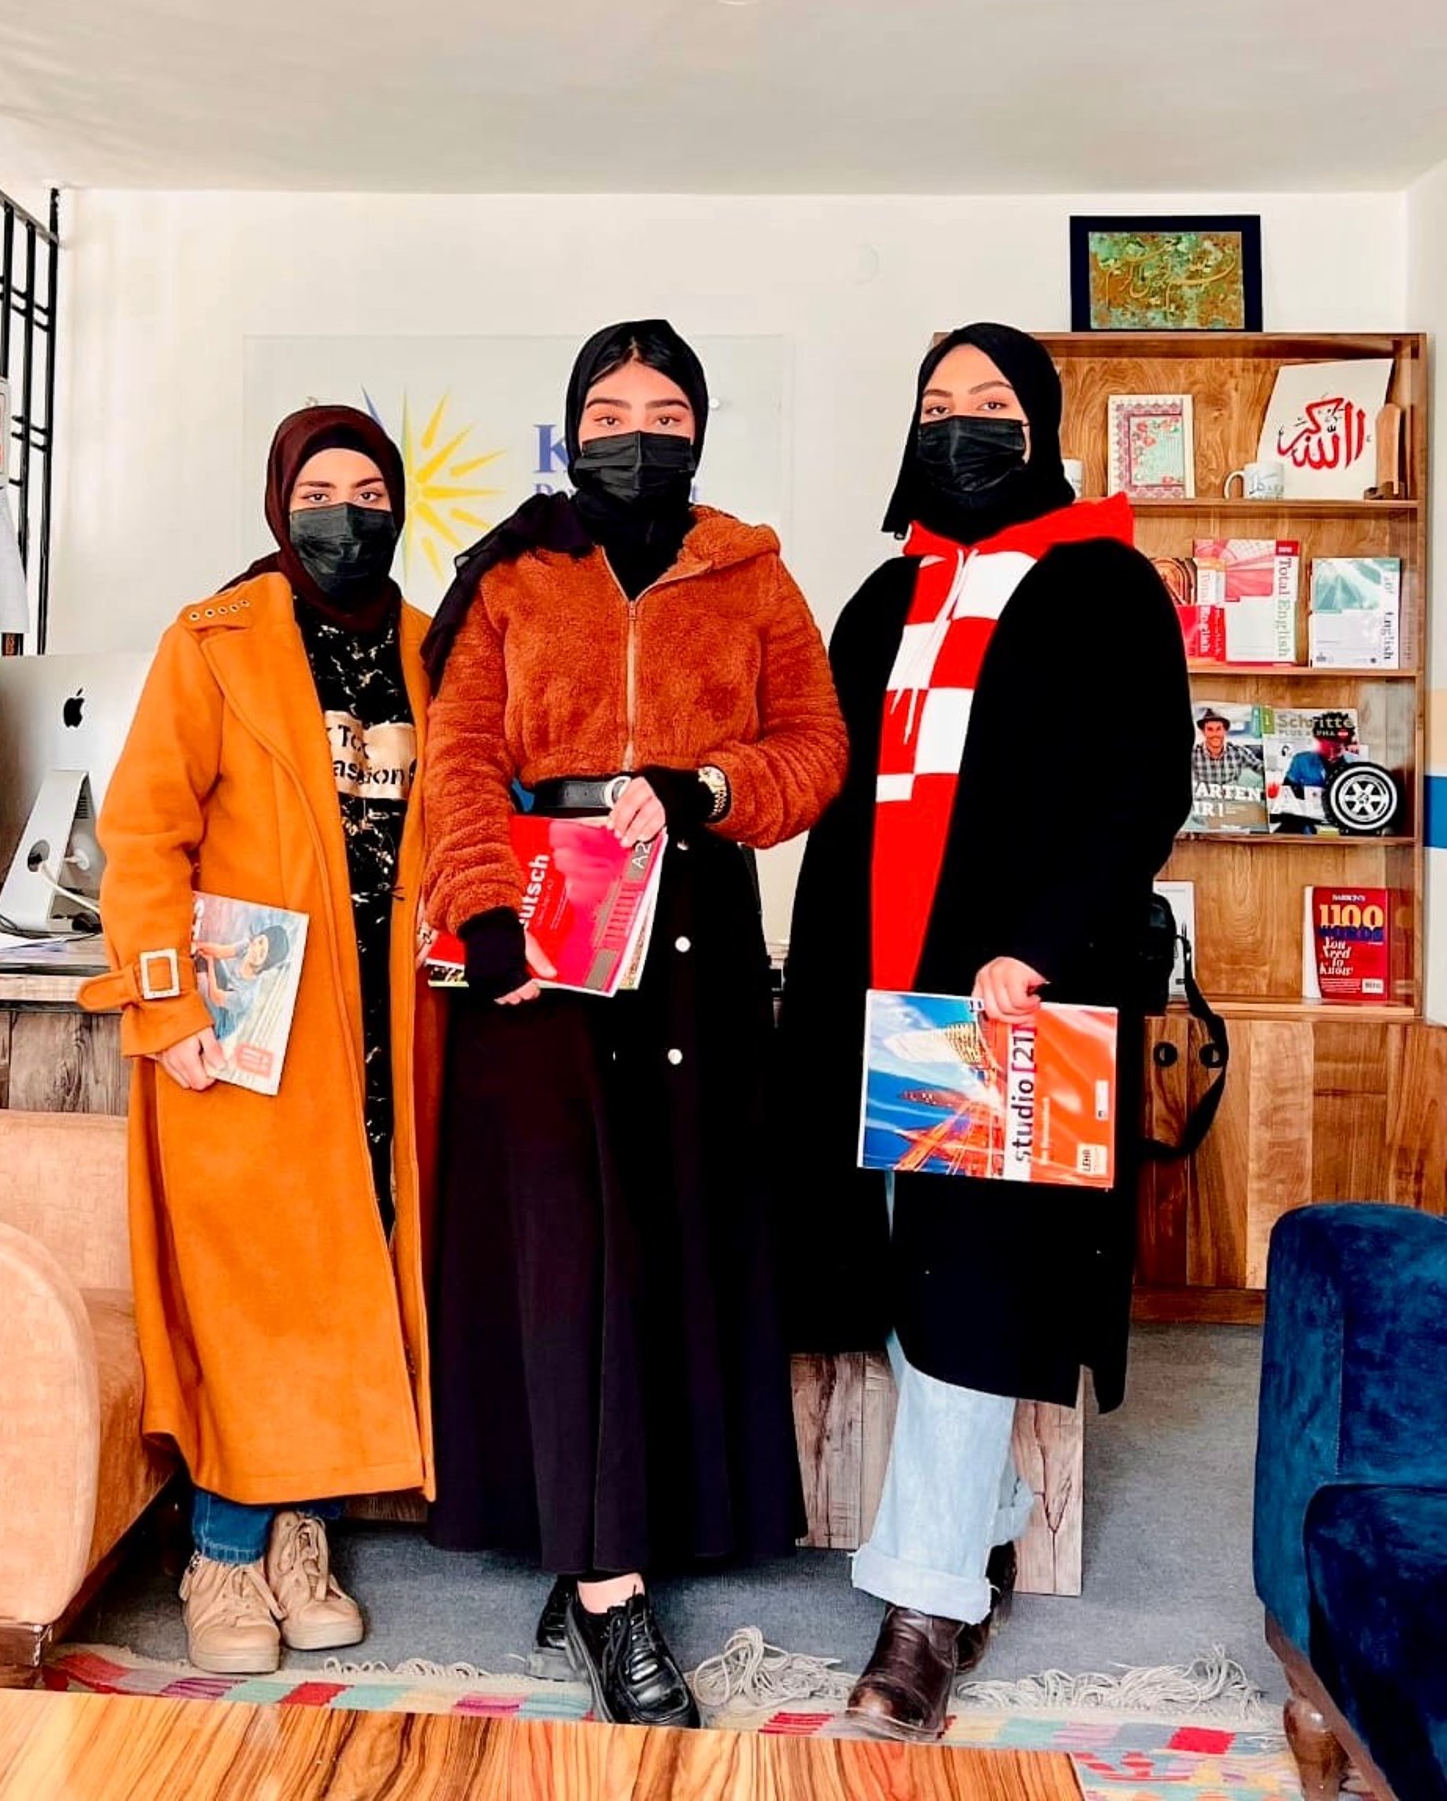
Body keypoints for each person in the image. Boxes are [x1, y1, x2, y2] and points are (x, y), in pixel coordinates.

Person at [419, 319, 848, 1730]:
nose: (636, 428)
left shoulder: (753, 568)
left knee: (668, 1235)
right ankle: (606, 1588)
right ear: (568, 424)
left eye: (664, 407)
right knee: (562, 1243)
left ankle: (607, 1538)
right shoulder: (514, 569)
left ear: (700, 429)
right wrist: (487, 918)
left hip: (692, 942)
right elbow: (463, 747)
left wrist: (705, 782)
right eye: (609, 405)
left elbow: (815, 748)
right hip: (541, 933)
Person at [779, 323, 1193, 1741]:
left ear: (1043, 423)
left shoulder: (1105, 583)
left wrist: (1042, 942)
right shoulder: (882, 594)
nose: (962, 425)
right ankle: (995, 1510)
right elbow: (829, 780)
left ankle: (925, 1602)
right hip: (867, 996)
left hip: (998, 1003)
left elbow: (1145, 789)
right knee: (902, 1269)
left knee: (967, 1287)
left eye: (992, 404)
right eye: (938, 403)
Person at [79, 406, 442, 1676]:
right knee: (255, 1294)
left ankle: (303, 1534)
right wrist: (168, 1005)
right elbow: (142, 836)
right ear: (280, 503)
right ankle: (226, 1556)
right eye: (321, 489)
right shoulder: (214, 638)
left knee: (352, 1281)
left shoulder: (427, 646)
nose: (347, 511)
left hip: (393, 1021)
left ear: (400, 506)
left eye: (370, 488)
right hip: (249, 1022)